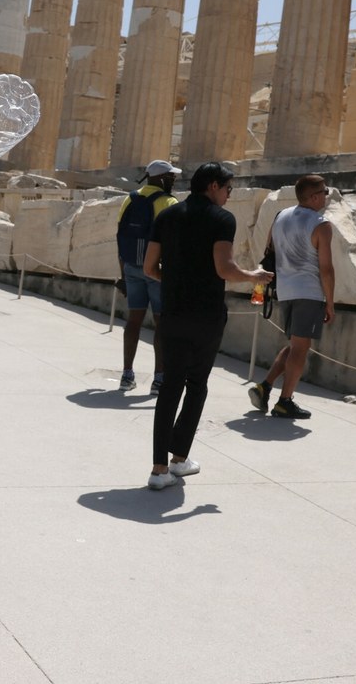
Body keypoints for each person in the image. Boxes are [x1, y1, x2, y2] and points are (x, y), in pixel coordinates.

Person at [143, 162, 272, 490]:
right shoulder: (221, 219)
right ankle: (179, 458)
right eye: (228, 189)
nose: (229, 195)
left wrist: (174, 282)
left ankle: (159, 469)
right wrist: (253, 276)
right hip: (205, 315)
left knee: (169, 387)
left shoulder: (167, 216)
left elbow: (148, 267)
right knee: (196, 385)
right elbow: (225, 268)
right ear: (213, 186)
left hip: (172, 313)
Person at [248, 175, 335, 419]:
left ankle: (264, 387)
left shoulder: (280, 217)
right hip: (310, 291)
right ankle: (285, 401)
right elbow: (326, 269)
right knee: (300, 348)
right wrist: (330, 302)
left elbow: (270, 252)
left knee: (296, 344)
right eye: (324, 192)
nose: (326, 197)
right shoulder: (321, 224)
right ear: (315, 197)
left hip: (285, 291)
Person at [115, 159, 180, 393]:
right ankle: (159, 378)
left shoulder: (129, 199)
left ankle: (127, 375)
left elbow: (120, 237)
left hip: (132, 266)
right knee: (161, 323)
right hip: (158, 270)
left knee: (134, 321)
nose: (174, 180)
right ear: (162, 178)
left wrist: (123, 274)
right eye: (171, 177)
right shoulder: (168, 202)